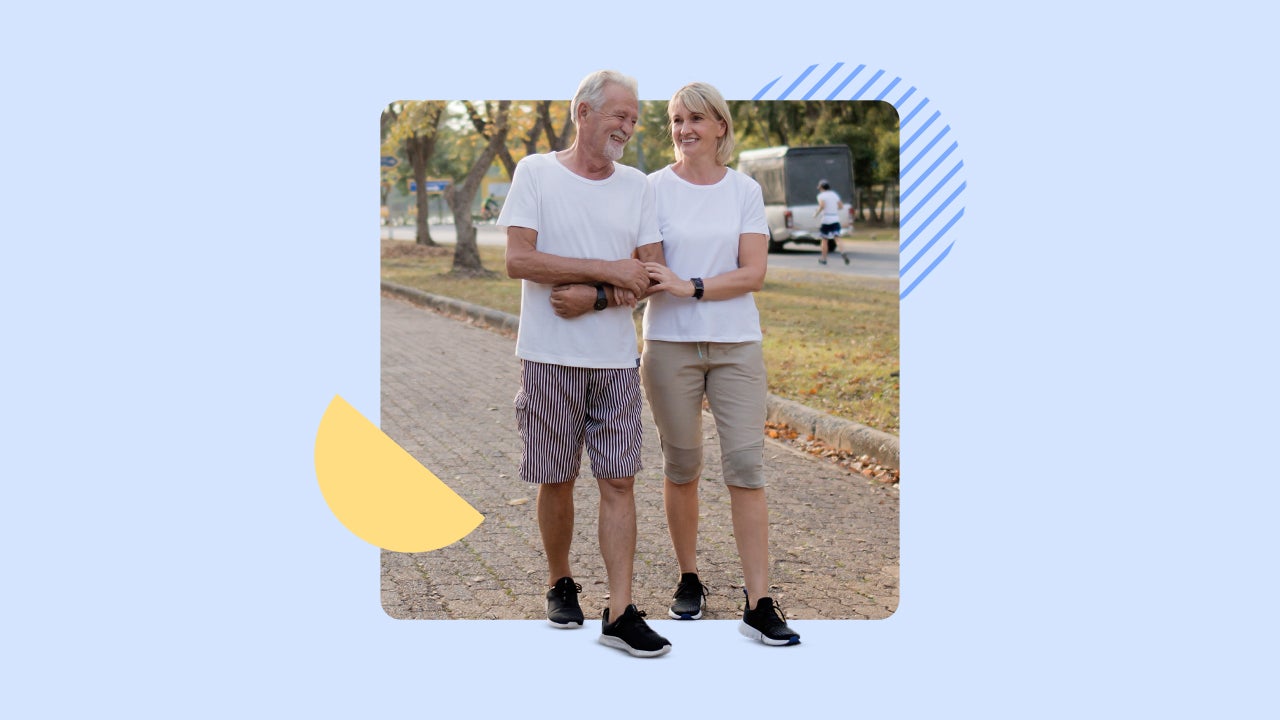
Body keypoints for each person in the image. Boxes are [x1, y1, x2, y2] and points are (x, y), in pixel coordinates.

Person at [499, 69, 672, 658]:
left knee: (619, 479)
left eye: (634, 120)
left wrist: (594, 298)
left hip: (616, 361)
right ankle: (560, 581)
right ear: (583, 112)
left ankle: (620, 612)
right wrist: (606, 271)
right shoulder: (535, 172)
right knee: (557, 478)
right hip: (548, 356)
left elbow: (650, 272)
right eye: (619, 115)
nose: (628, 127)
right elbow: (519, 260)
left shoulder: (637, 186)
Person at [639, 81, 801, 646]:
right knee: (682, 466)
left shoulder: (744, 190)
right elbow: (647, 268)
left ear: (720, 127)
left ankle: (759, 602)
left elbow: (753, 272)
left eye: (695, 119)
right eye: (676, 119)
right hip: (670, 346)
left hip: (736, 346)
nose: (684, 129)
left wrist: (692, 285)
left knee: (746, 469)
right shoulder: (651, 189)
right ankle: (689, 578)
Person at [815, 179, 848, 265]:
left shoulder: (821, 196)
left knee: (824, 240)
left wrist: (816, 213)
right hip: (835, 218)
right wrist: (833, 208)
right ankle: (843, 252)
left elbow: (822, 205)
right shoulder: (834, 194)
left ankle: (824, 258)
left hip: (826, 219)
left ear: (821, 187)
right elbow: (841, 206)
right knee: (837, 238)